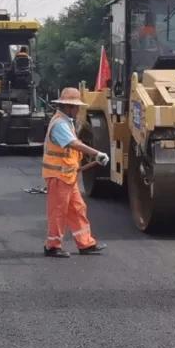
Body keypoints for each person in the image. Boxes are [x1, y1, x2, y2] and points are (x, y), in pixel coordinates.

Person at [42, 87, 110, 258]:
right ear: (68, 107)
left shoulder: (66, 122)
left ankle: (85, 244)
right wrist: (96, 153)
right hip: (58, 176)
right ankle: (52, 246)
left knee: (77, 208)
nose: (79, 110)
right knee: (58, 211)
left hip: (67, 176)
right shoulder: (60, 124)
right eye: (77, 107)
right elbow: (73, 144)